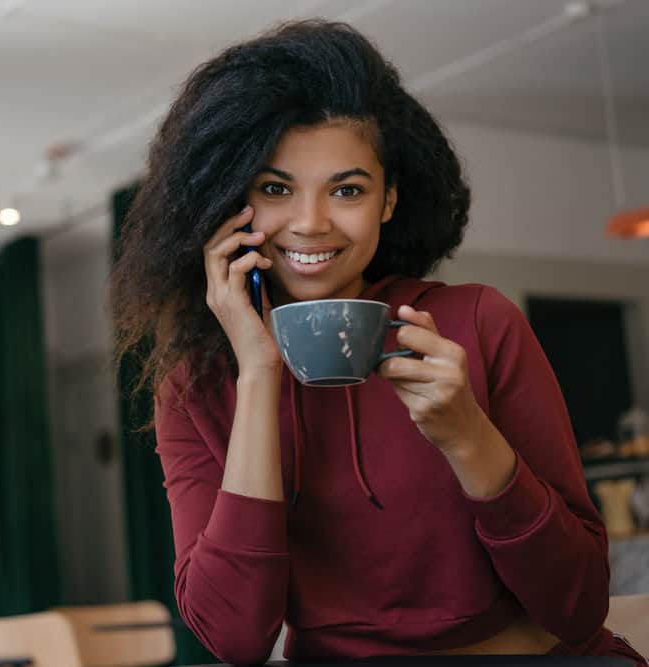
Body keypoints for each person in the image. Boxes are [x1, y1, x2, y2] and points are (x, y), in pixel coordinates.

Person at [108, 19, 646, 667]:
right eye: (275, 188)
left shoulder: (478, 321)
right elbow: (234, 638)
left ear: (389, 199)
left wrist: (466, 434)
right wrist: (257, 375)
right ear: (231, 200)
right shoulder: (196, 387)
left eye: (348, 189)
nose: (311, 222)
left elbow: (579, 602)